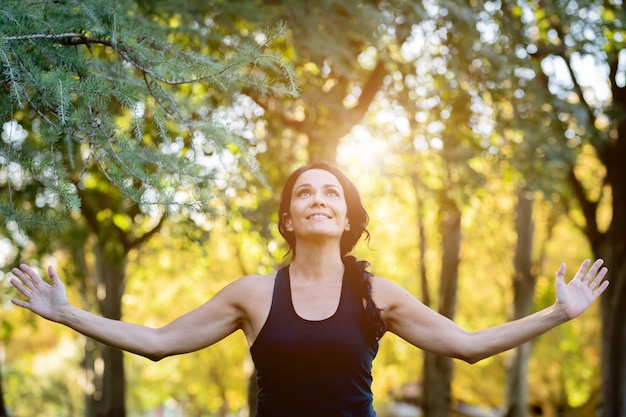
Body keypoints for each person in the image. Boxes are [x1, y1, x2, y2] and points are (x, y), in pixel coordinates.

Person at [9, 162, 609, 417]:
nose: (319, 199)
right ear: (289, 220)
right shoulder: (253, 294)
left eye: (331, 194)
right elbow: (158, 342)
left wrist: (556, 312)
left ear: (347, 219)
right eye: (305, 193)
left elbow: (470, 345)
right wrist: (67, 314)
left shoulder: (379, 295)